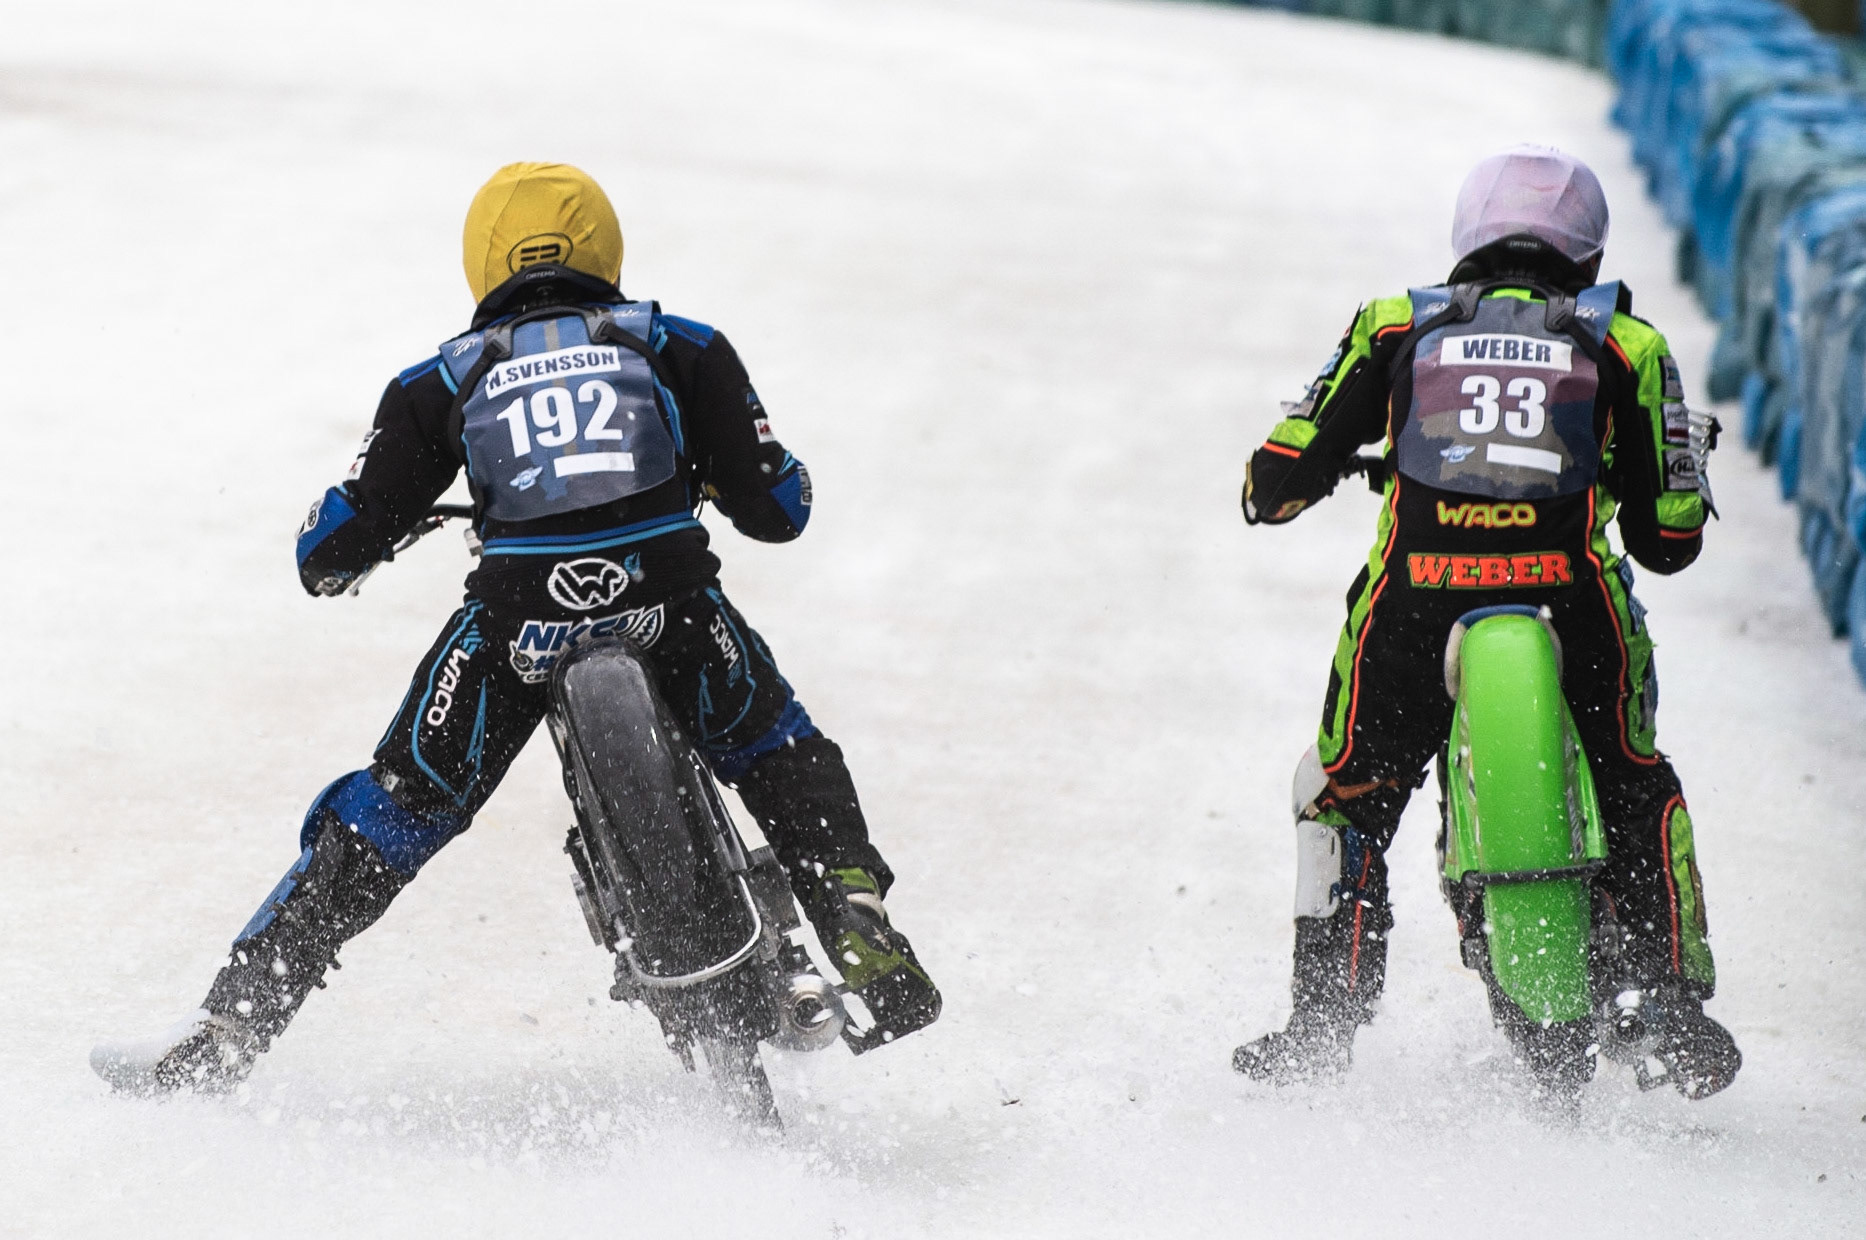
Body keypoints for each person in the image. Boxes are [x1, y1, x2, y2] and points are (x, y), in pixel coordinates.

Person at [94, 162, 939, 1092]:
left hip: (518, 624)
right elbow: (779, 508)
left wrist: (343, 541)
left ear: (483, 261)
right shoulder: (678, 343)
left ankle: (229, 1025)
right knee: (776, 743)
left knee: (393, 806)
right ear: (605, 247)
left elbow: (333, 546)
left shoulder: (444, 376)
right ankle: (854, 914)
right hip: (671, 604)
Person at [1231, 147, 1740, 1098]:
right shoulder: (1627, 343)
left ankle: (1320, 1026)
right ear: (1588, 254)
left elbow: (1273, 483)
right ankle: (1673, 999)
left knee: (1346, 796)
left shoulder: (1395, 324)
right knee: (1636, 778)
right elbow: (1671, 538)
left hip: (1415, 600)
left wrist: (1328, 465)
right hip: (1571, 596)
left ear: (1466, 236)